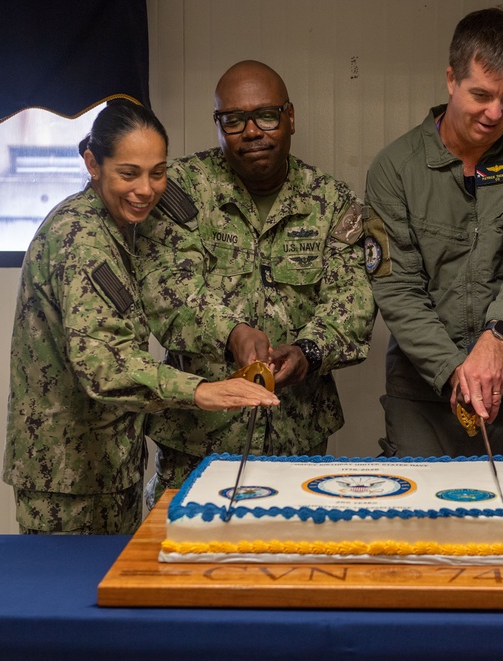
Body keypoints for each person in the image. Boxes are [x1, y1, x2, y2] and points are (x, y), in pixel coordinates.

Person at [2, 101, 279, 535]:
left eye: (157, 172)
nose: (146, 189)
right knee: (67, 598)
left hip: (107, 467)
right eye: (128, 174)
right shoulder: (81, 239)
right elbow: (104, 366)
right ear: (93, 164)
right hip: (68, 477)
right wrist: (202, 390)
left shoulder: (119, 228)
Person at [134, 61, 375, 496]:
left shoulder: (331, 202)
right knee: (183, 557)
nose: (251, 131)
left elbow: (352, 304)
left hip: (296, 437)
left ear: (291, 117)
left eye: (266, 115)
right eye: (233, 119)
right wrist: (231, 332)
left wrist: (309, 351)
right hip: (198, 438)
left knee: (293, 557)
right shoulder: (181, 190)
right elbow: (165, 292)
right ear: (219, 124)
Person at [363, 7, 503, 490]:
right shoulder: (394, 167)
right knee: (418, 535)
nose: (495, 114)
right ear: (450, 79)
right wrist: (454, 371)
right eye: (481, 95)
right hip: (423, 391)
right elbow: (396, 288)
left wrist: (496, 341)